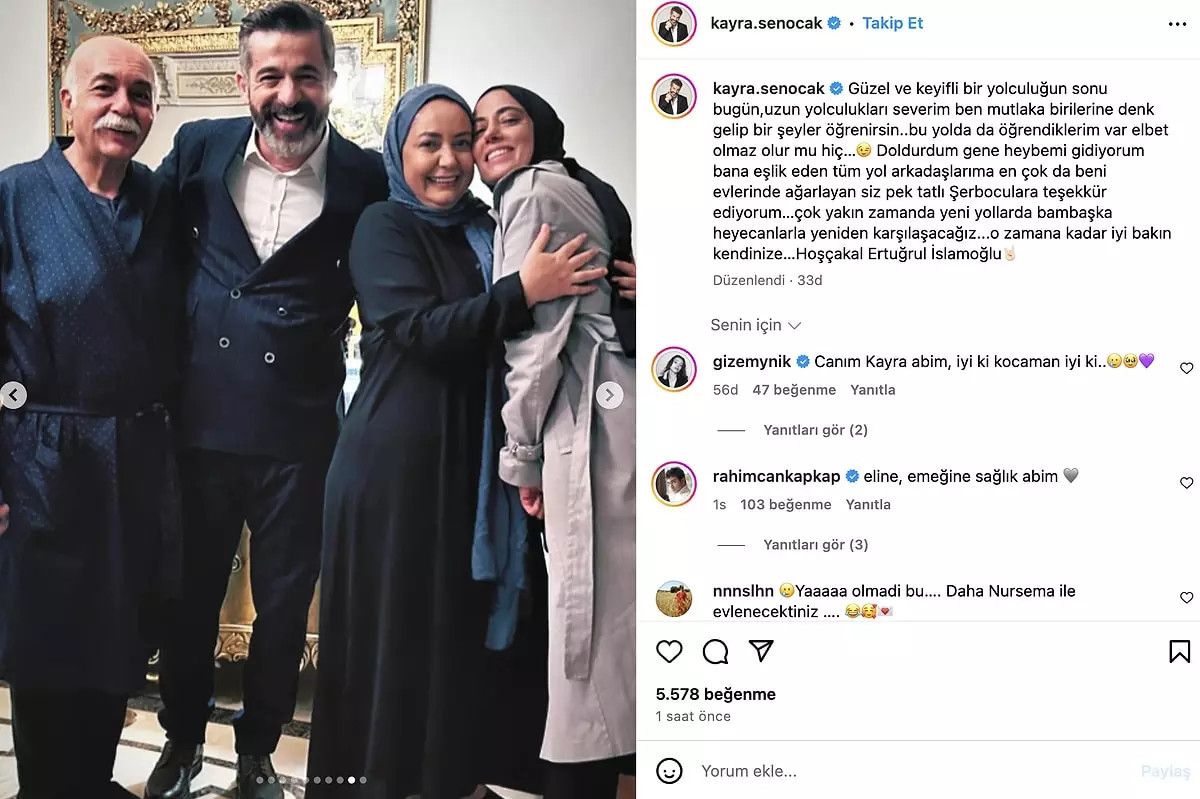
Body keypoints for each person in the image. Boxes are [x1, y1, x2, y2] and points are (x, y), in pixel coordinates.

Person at [307, 83, 604, 798]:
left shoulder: (490, 225)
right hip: (396, 470)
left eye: (461, 142)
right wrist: (521, 290)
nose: (448, 160)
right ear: (399, 153)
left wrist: (628, 278)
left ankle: (447, 778)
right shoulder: (383, 226)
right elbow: (421, 332)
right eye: (429, 144)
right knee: (398, 637)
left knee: (453, 634)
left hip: (470, 461)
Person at [147, 4, 387, 797]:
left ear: (331, 80)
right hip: (202, 420)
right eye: (272, 76)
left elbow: (409, 255)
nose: (289, 95)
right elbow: (143, 246)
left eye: (306, 75)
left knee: (283, 611)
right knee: (189, 598)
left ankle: (257, 752)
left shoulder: (364, 177)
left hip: (302, 429)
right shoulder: (199, 148)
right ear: (244, 81)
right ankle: (182, 739)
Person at [0, 36, 183, 799]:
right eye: (105, 88)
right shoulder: (13, 196)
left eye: (141, 94)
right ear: (67, 100)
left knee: (116, 652)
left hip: (134, 465)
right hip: (39, 463)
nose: (123, 106)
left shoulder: (162, 204)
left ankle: (92, 781)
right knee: (46, 660)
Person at [474, 85, 636, 799]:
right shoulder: (576, 184)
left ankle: (581, 777)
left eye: (507, 119)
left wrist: (522, 459)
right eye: (478, 127)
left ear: (540, 128)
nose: (490, 136)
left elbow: (533, 344)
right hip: (620, 410)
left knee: (587, 619)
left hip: (588, 421)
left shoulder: (531, 191)